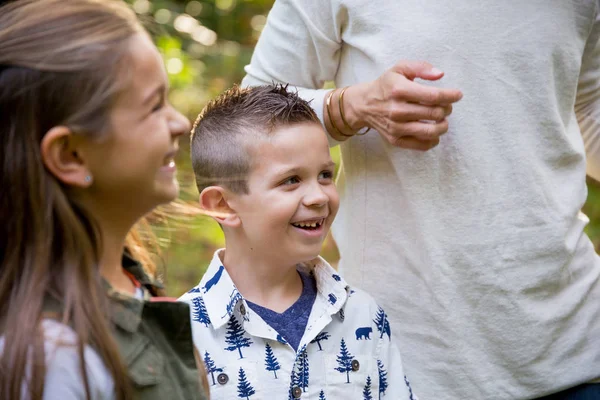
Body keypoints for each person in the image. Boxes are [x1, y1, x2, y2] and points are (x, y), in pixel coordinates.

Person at [240, 1, 600, 399]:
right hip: (405, 357)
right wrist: (350, 108)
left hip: (576, 347)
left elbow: (586, 104)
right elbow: (248, 117)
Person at [0, 0, 209, 399]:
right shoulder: (53, 358)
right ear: (71, 156)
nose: (180, 122)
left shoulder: (133, 284)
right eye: (154, 106)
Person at [178, 84, 417, 399]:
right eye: (291, 180)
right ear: (223, 206)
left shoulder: (363, 314)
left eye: (325, 175)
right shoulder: (183, 334)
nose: (319, 196)